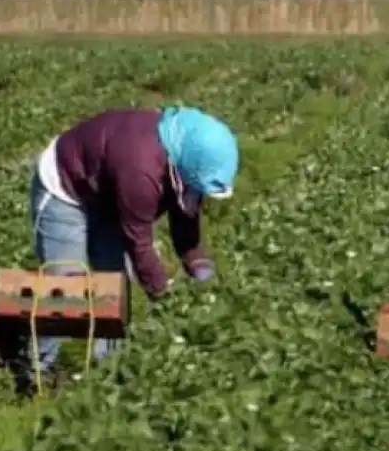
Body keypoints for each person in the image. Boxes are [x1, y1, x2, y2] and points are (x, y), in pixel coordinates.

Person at [21, 106, 239, 394]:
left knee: (113, 285)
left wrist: (197, 262)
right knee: (65, 285)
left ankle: (108, 371)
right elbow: (140, 244)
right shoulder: (141, 168)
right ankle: (36, 374)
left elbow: (185, 217)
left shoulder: (183, 159)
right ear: (187, 166)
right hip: (66, 187)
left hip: (110, 194)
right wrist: (164, 295)